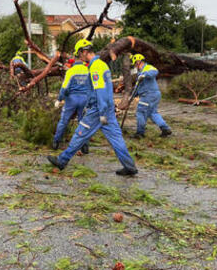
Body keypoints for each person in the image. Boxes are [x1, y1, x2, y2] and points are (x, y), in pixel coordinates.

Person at [47, 39, 138, 176]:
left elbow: (100, 90)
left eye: (79, 54)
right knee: (116, 138)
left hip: (99, 109)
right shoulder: (102, 64)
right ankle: (129, 166)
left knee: (80, 133)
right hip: (108, 107)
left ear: (84, 52)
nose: (79, 57)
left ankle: (62, 160)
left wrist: (100, 111)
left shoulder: (95, 67)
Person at [52, 57, 90, 151]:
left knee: (64, 121)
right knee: (83, 123)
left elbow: (64, 88)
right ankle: (84, 146)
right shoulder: (88, 70)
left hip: (71, 99)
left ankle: (56, 142)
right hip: (84, 99)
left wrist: (59, 99)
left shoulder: (71, 71)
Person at [130, 54, 172, 139]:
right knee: (153, 113)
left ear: (138, 62)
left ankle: (140, 133)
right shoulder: (139, 73)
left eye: (135, 64)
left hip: (148, 95)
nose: (134, 66)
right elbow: (137, 87)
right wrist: (132, 96)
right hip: (154, 94)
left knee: (140, 112)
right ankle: (165, 128)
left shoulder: (147, 68)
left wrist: (145, 75)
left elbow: (155, 71)